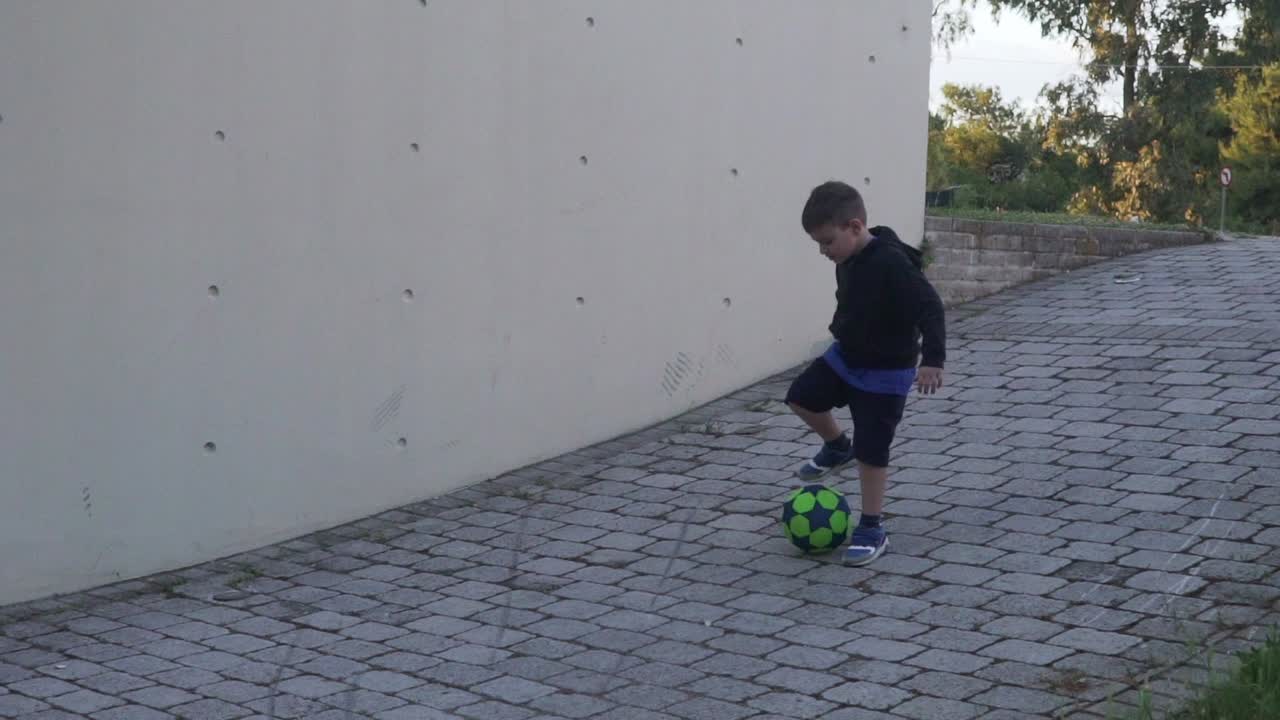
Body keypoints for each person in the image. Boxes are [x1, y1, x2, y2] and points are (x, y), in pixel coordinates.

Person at [784, 180, 946, 566]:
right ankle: (839, 446)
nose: (823, 252)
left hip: (885, 375)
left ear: (855, 227)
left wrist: (933, 361)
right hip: (846, 358)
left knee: (872, 453)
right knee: (801, 396)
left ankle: (872, 526)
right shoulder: (848, 257)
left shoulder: (891, 262)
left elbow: (931, 307)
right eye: (818, 245)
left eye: (827, 242)